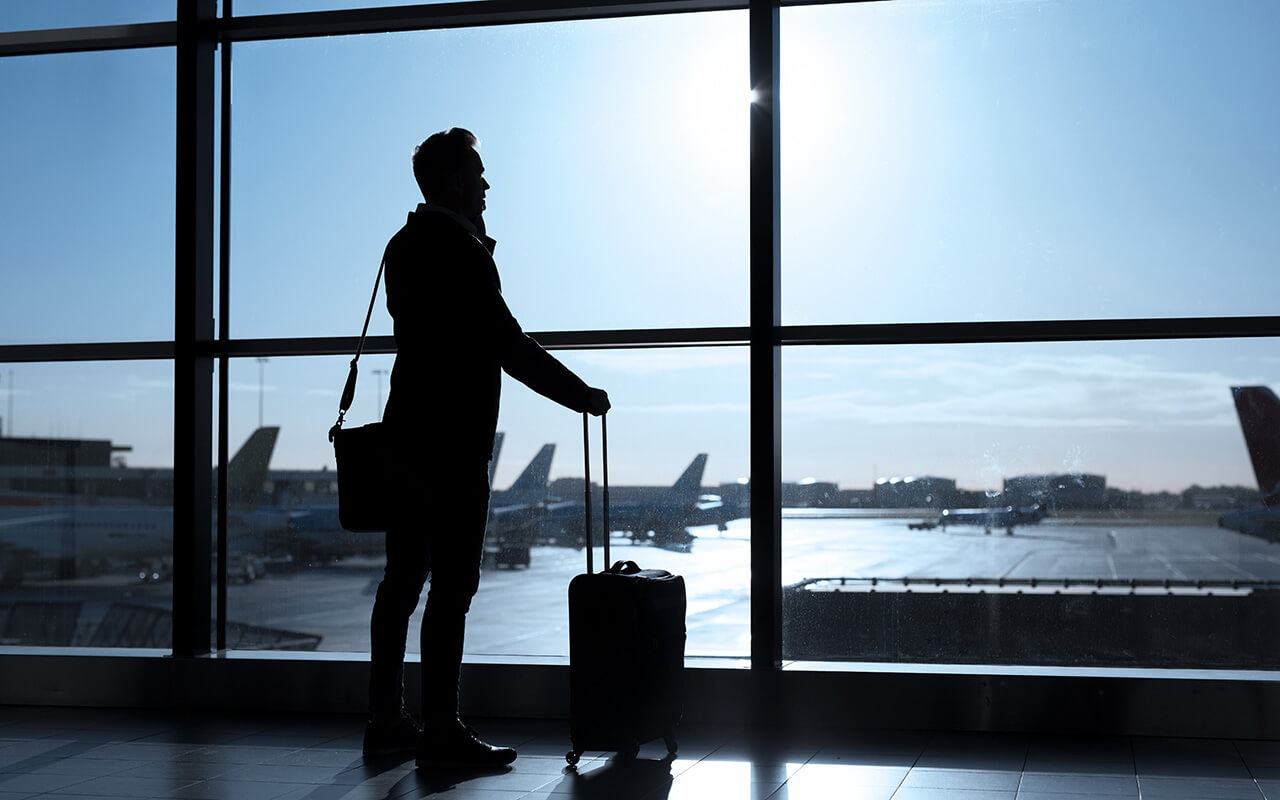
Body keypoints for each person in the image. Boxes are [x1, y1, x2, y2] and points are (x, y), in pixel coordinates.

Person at [363, 127, 610, 768]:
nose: (486, 184)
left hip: (406, 436)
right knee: (452, 586)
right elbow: (507, 344)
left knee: (401, 584)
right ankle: (442, 729)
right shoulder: (460, 251)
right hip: (453, 446)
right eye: (476, 172)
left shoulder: (402, 245)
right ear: (451, 181)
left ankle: (386, 718)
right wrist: (578, 393)